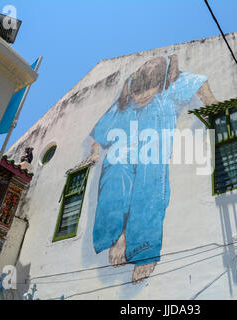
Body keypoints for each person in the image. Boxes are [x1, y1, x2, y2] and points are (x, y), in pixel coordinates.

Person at [89, 55, 217, 284]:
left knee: (150, 186)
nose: (143, 97)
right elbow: (101, 127)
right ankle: (118, 235)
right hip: (124, 152)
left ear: (161, 85)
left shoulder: (170, 90)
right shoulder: (125, 102)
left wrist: (211, 103)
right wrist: (94, 153)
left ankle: (143, 251)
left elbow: (199, 82)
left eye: (149, 91)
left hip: (153, 153)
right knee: (114, 173)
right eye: (138, 94)